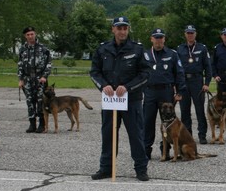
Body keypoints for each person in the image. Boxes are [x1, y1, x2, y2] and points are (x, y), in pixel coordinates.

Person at [89, 16, 152, 181]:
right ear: (113, 29)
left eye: (125, 28)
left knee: (136, 135)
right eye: (119, 28)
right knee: (108, 135)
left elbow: (146, 74)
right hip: (110, 100)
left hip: (132, 100)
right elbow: (94, 72)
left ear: (128, 30)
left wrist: (128, 87)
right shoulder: (103, 49)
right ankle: (106, 168)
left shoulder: (137, 49)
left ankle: (141, 169)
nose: (122, 31)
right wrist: (103, 85)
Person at [142, 28, 186, 159]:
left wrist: (180, 91)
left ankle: (165, 151)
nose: (158, 40)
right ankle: (145, 151)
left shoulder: (172, 54)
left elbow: (179, 73)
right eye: (156, 38)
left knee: (167, 122)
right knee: (147, 122)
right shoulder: (145, 55)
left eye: (161, 38)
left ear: (164, 39)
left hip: (166, 92)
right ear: (151, 39)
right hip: (150, 91)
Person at [177, 24, 213, 144]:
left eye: (192, 33)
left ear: (195, 34)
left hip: (197, 82)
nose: (190, 35)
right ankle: (187, 136)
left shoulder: (202, 48)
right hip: (183, 82)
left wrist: (207, 83)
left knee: (199, 110)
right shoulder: (180, 48)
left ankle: (202, 135)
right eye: (188, 33)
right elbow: (176, 68)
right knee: (184, 111)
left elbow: (208, 67)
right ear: (185, 34)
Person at [17, 26, 52, 133]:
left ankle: (42, 124)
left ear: (35, 34)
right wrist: (20, 79)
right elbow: (20, 65)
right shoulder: (22, 49)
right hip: (27, 79)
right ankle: (32, 124)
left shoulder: (43, 48)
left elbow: (49, 64)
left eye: (32, 34)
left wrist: (44, 77)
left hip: (39, 79)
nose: (30, 36)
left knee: (40, 101)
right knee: (30, 102)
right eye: (28, 35)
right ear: (25, 36)